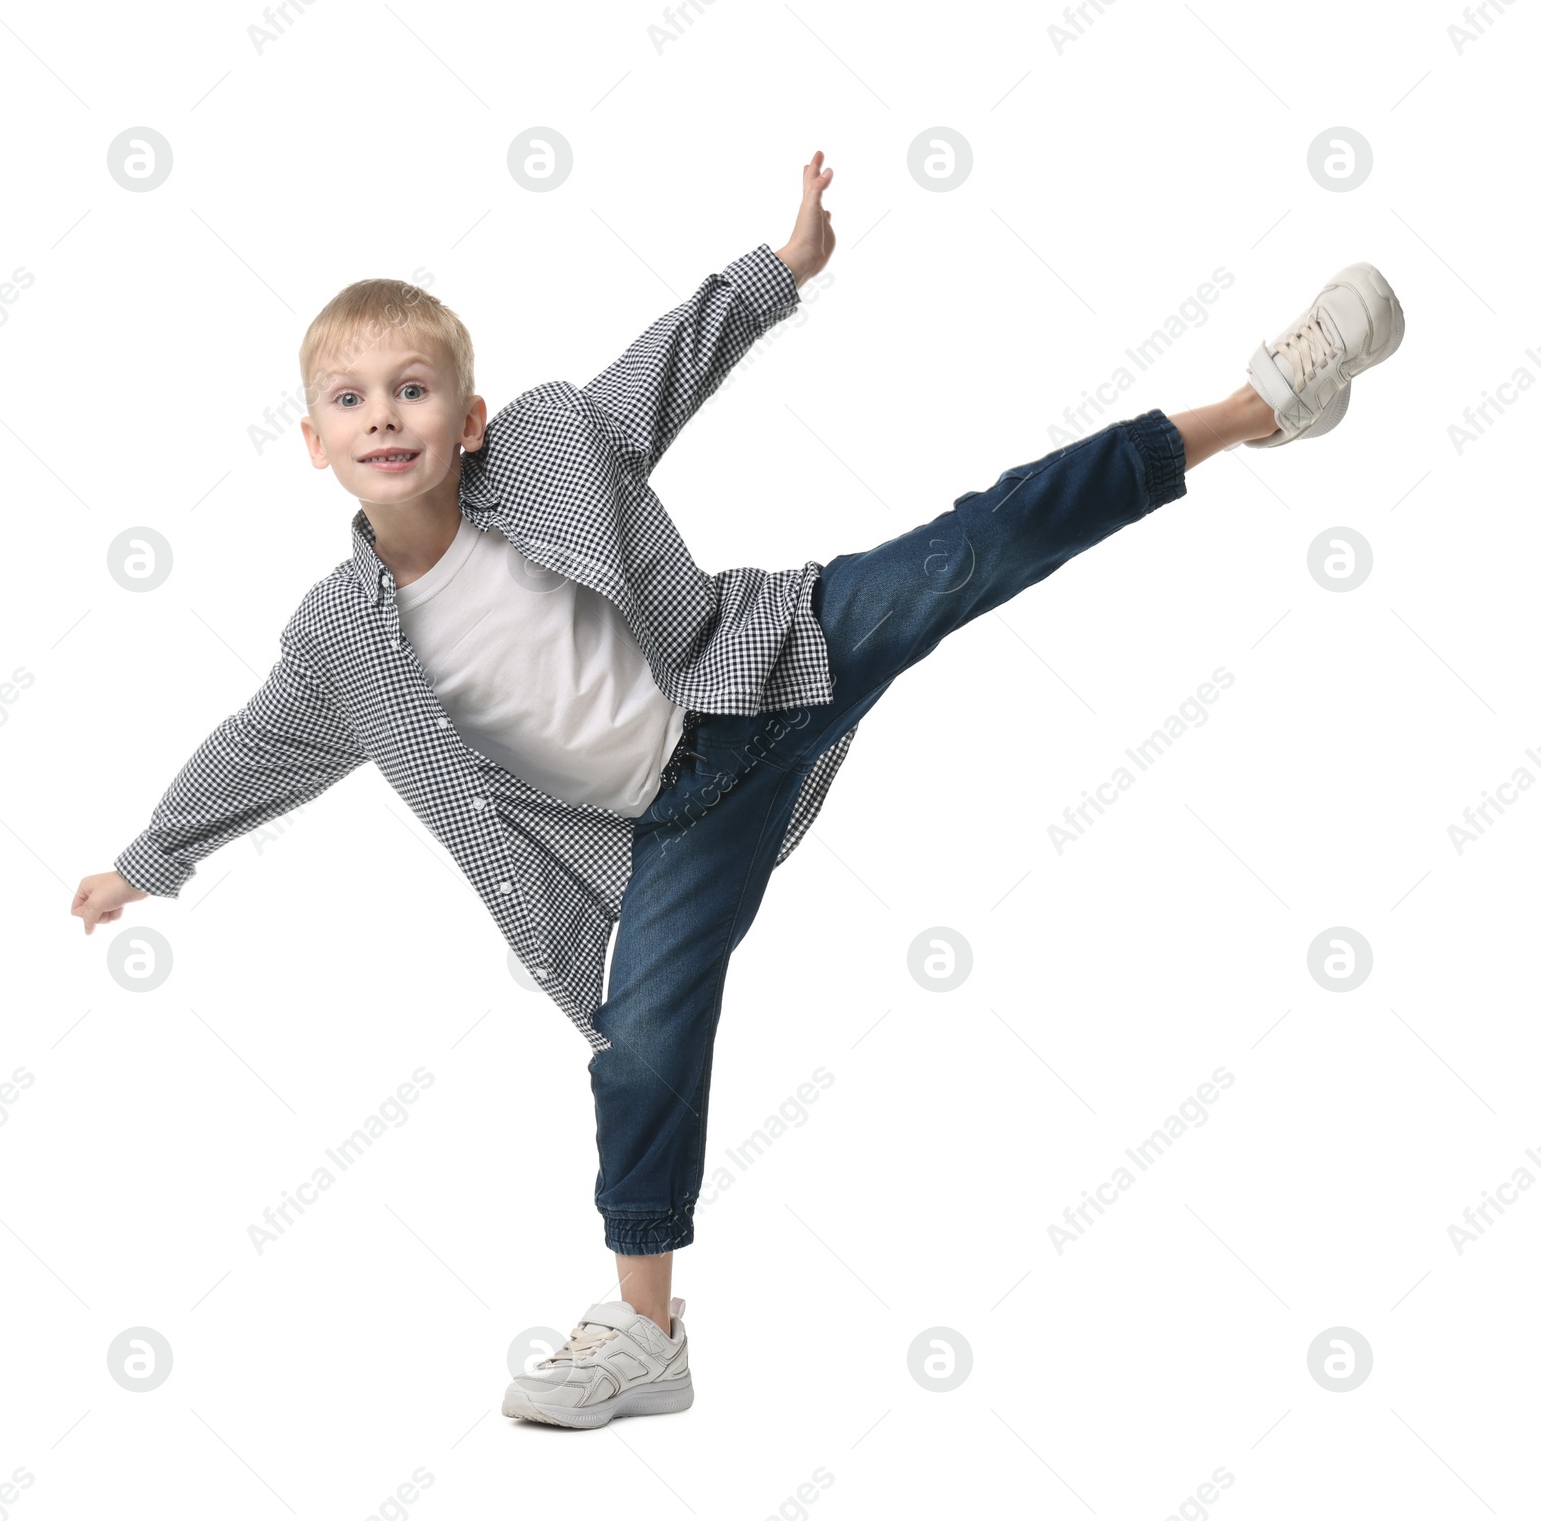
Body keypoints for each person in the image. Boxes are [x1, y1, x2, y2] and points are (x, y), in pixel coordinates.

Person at [71, 151, 1405, 1430]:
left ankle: (1262, 405)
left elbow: (669, 366)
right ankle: (645, 1335)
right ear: (313, 442)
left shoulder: (545, 441)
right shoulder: (338, 639)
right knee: (642, 1050)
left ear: (465, 416)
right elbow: (252, 746)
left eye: (412, 390)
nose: (385, 418)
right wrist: (148, 859)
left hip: (763, 668)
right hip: (657, 844)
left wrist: (782, 265)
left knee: (972, 545)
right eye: (352, 402)